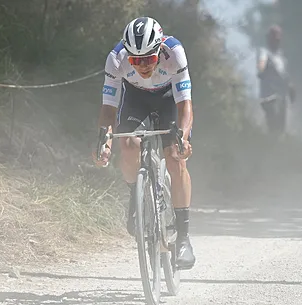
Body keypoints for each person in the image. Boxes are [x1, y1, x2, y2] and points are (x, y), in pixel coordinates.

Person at [92, 17, 196, 270]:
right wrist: (103, 140)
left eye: (148, 59)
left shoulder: (175, 53)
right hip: (136, 99)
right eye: (135, 60)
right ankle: (136, 196)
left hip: (169, 98)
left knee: (174, 157)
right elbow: (109, 107)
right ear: (127, 55)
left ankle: (183, 237)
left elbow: (185, 105)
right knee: (127, 144)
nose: (142, 66)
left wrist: (182, 136)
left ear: (160, 49)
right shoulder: (116, 59)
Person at [256, 24, 296, 136]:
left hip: (281, 97)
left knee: (281, 128)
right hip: (269, 97)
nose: (275, 42)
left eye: (277, 39)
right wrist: (262, 68)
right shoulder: (264, 53)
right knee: (273, 126)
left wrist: (290, 87)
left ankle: (278, 147)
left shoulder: (281, 57)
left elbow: (284, 75)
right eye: (273, 39)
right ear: (268, 39)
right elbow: (261, 67)